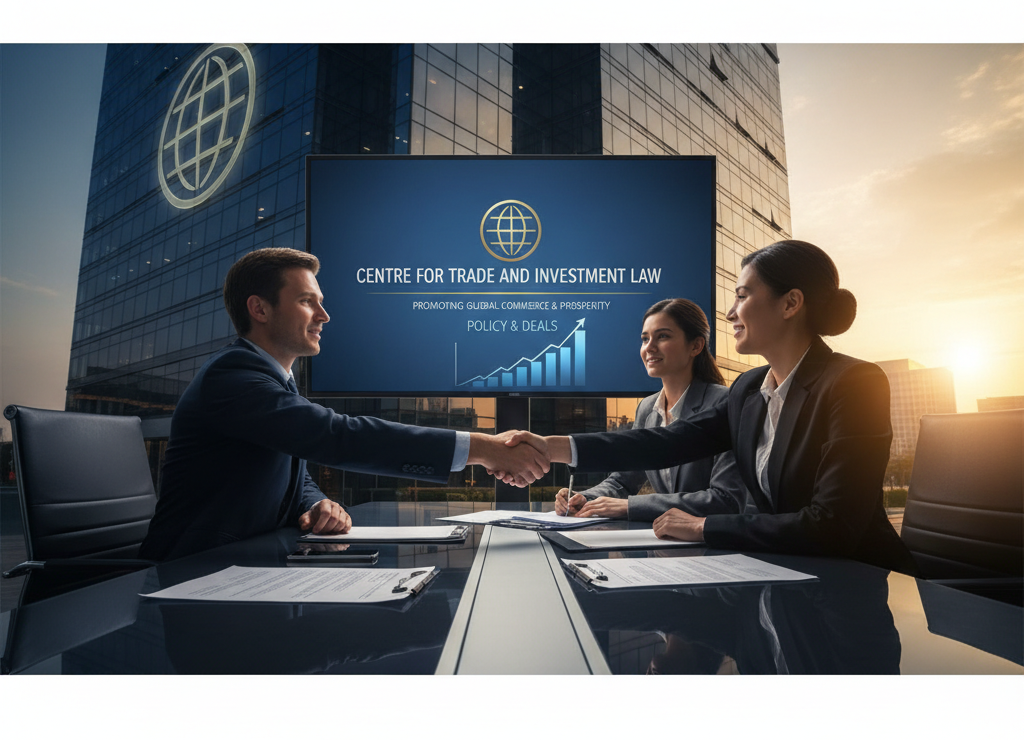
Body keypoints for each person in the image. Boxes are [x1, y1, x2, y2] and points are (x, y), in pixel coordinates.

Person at [500, 241, 916, 573]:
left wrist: (702, 526)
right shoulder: (750, 388)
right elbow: (665, 442)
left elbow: (834, 524)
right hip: (778, 570)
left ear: (790, 304)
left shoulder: (854, 382)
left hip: (855, 583)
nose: (731, 312)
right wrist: (549, 446)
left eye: (742, 295)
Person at [140, 248, 548, 561]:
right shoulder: (231, 378)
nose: (325, 315)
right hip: (194, 576)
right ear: (259, 308)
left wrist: (314, 502)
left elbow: (290, 469)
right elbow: (335, 436)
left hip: (255, 566)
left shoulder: (270, 381)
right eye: (307, 301)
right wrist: (481, 448)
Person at [555, 298, 748, 521]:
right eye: (645, 339)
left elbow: (724, 500)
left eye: (663, 336)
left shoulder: (723, 403)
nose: (649, 347)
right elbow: (622, 481)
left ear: (696, 345)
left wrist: (630, 506)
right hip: (666, 539)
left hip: (711, 542)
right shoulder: (647, 408)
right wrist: (585, 499)